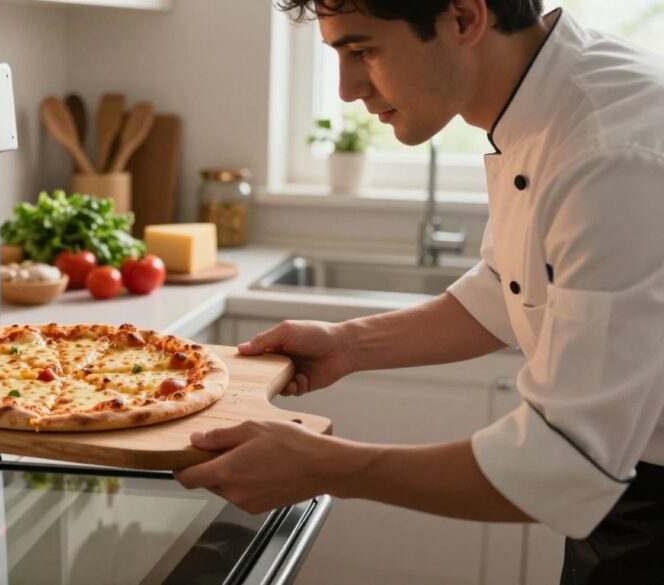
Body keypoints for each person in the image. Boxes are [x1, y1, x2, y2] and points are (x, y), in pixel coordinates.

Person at [173, 1, 664, 582]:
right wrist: (347, 345)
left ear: (464, 19)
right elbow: (506, 291)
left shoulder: (612, 154)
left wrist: (325, 466)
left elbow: (561, 464)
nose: (348, 90)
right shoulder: (547, 103)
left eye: (363, 50)